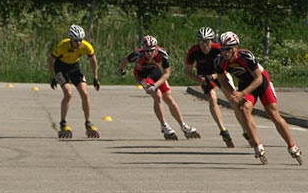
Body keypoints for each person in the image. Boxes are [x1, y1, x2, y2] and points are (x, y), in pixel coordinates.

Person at [215, 31, 302, 165]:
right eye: (222, 49)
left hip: (261, 83)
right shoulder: (220, 61)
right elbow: (222, 79)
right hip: (246, 84)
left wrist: (242, 93)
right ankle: (257, 145)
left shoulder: (246, 56)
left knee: (273, 114)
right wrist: (232, 92)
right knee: (244, 109)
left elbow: (258, 79)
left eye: (227, 49)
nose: (224, 52)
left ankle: (292, 146)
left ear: (235, 48)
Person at [117, 35, 200, 141]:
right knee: (157, 96)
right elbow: (125, 60)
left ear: (156, 48)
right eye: (146, 51)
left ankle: (183, 125)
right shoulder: (138, 54)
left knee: (169, 98)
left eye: (151, 50)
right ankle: (164, 125)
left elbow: (167, 73)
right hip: (142, 75)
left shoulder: (162, 53)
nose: (149, 54)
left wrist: (155, 85)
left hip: (156, 73)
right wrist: (121, 70)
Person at [184, 27, 235, 147]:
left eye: (207, 42)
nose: (204, 45)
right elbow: (187, 71)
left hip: (219, 73)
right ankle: (223, 130)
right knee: (212, 98)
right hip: (205, 76)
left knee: (233, 99)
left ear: (212, 41)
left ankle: (246, 129)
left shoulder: (218, 49)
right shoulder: (194, 51)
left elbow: (228, 69)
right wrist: (199, 80)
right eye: (201, 42)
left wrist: (215, 75)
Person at [47, 24, 100, 139]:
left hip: (74, 68)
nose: (79, 43)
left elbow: (93, 60)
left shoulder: (86, 46)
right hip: (61, 67)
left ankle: (88, 123)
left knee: (85, 93)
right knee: (68, 93)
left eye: (81, 40)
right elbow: (50, 59)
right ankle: (63, 123)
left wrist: (95, 77)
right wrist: (52, 77)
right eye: (76, 40)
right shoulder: (63, 45)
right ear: (71, 39)